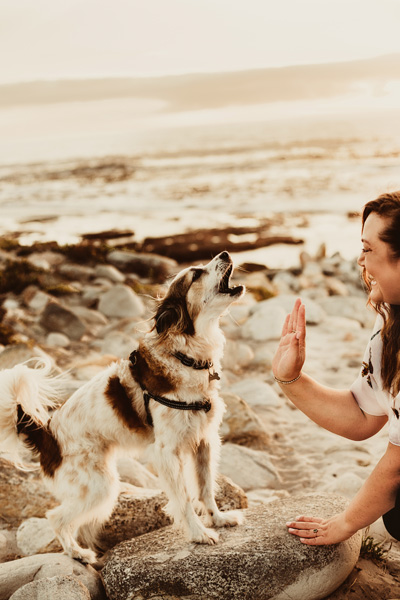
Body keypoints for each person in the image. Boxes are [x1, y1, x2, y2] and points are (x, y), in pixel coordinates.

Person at [272, 191, 400, 546]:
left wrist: (344, 524)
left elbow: (397, 466)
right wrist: (290, 378)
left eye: (369, 249)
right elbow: (361, 416)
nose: (360, 260)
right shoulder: (388, 330)